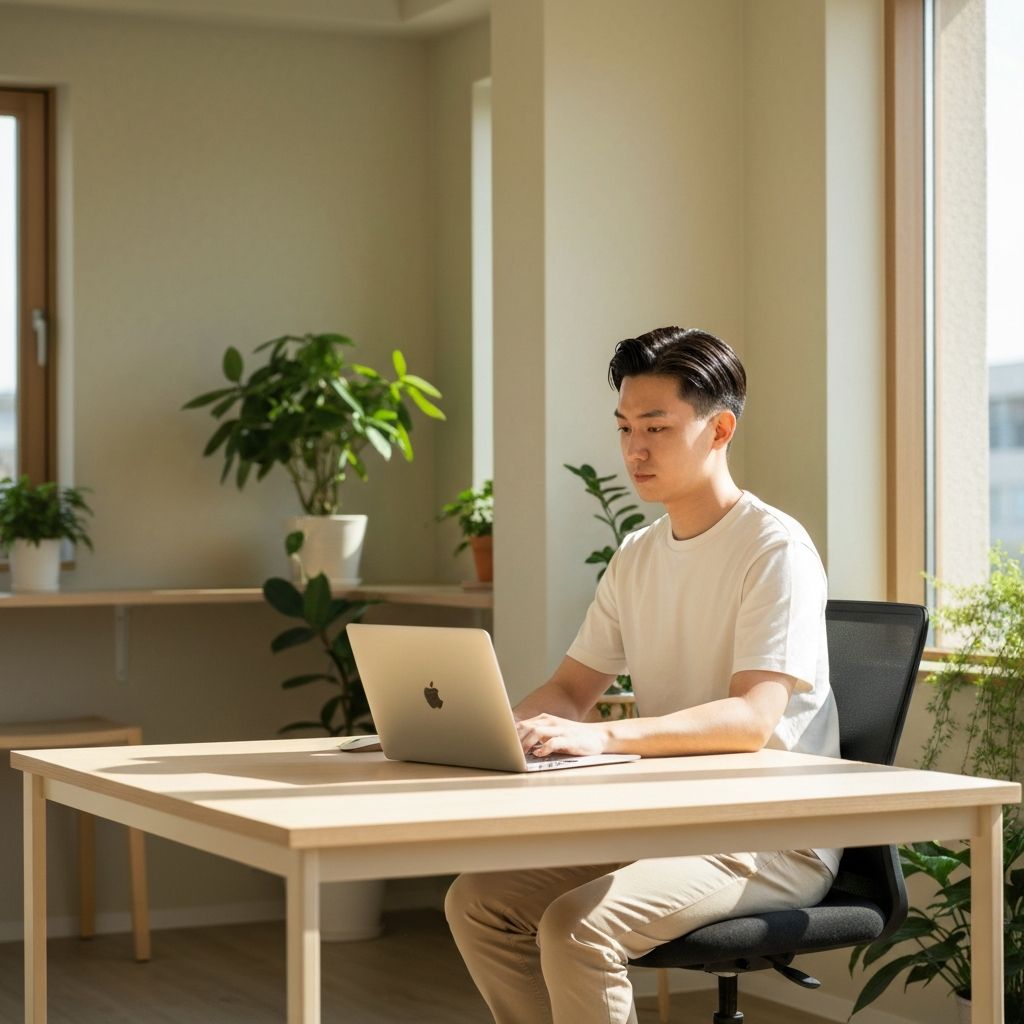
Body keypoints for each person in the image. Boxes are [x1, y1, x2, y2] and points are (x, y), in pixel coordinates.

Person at [444, 326, 841, 1024]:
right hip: (669, 819)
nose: (634, 448)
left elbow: (753, 719)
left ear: (719, 428)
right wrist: (501, 732)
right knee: (479, 903)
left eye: (656, 427)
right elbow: (571, 690)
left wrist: (606, 740)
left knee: (577, 927)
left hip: (767, 836)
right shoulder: (638, 554)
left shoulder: (775, 549)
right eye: (625, 426)